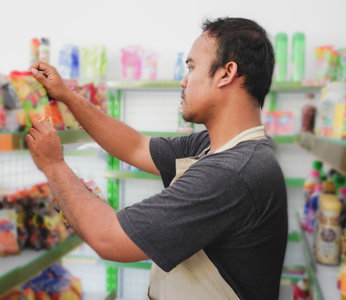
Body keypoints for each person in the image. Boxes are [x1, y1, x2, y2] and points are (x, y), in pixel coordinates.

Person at [26, 17, 287, 300]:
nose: (183, 80)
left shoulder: (232, 173)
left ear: (226, 74)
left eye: (191, 67)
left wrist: (53, 165)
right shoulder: (221, 146)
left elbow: (109, 237)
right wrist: (66, 95)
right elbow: (136, 146)